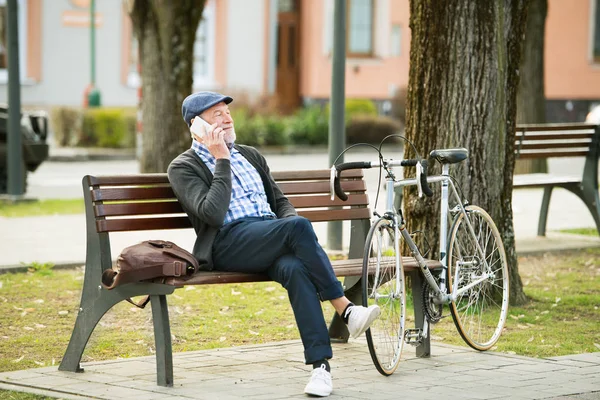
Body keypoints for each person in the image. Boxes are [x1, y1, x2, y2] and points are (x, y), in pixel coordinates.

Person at [167, 91, 380, 397]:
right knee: (297, 227)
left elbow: (281, 203)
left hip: (270, 235)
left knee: (295, 267)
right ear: (196, 127)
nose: (227, 118)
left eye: (228, 112)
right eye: (217, 115)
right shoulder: (183, 167)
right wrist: (221, 160)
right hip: (228, 242)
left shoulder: (250, 155)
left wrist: (287, 229)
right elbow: (212, 213)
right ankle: (345, 310)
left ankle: (320, 368)